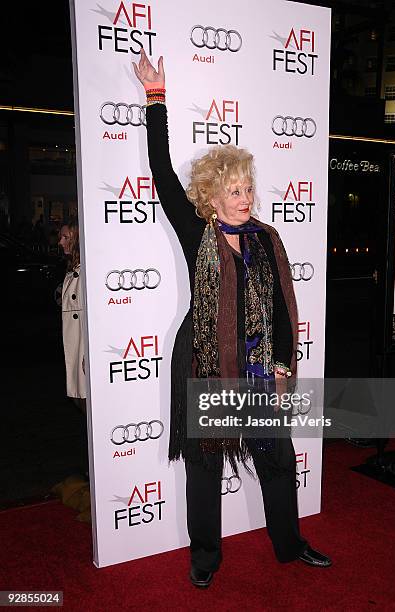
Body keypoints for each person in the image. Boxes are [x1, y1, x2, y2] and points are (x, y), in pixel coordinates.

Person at [133, 50, 331, 588]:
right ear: (212, 197)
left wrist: (286, 364)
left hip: (261, 369)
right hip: (207, 363)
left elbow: (285, 312)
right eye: (234, 190)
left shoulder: (267, 240)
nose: (245, 198)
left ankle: (290, 546)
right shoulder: (197, 232)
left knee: (277, 460)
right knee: (204, 466)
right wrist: (157, 100)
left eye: (248, 188)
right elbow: (160, 173)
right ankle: (205, 558)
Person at [58, 219, 86, 413]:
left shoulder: (86, 271)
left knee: (84, 400)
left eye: (65, 237)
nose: (60, 242)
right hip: (75, 342)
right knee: (79, 398)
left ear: (76, 239)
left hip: (83, 344)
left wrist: (88, 354)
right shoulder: (73, 268)